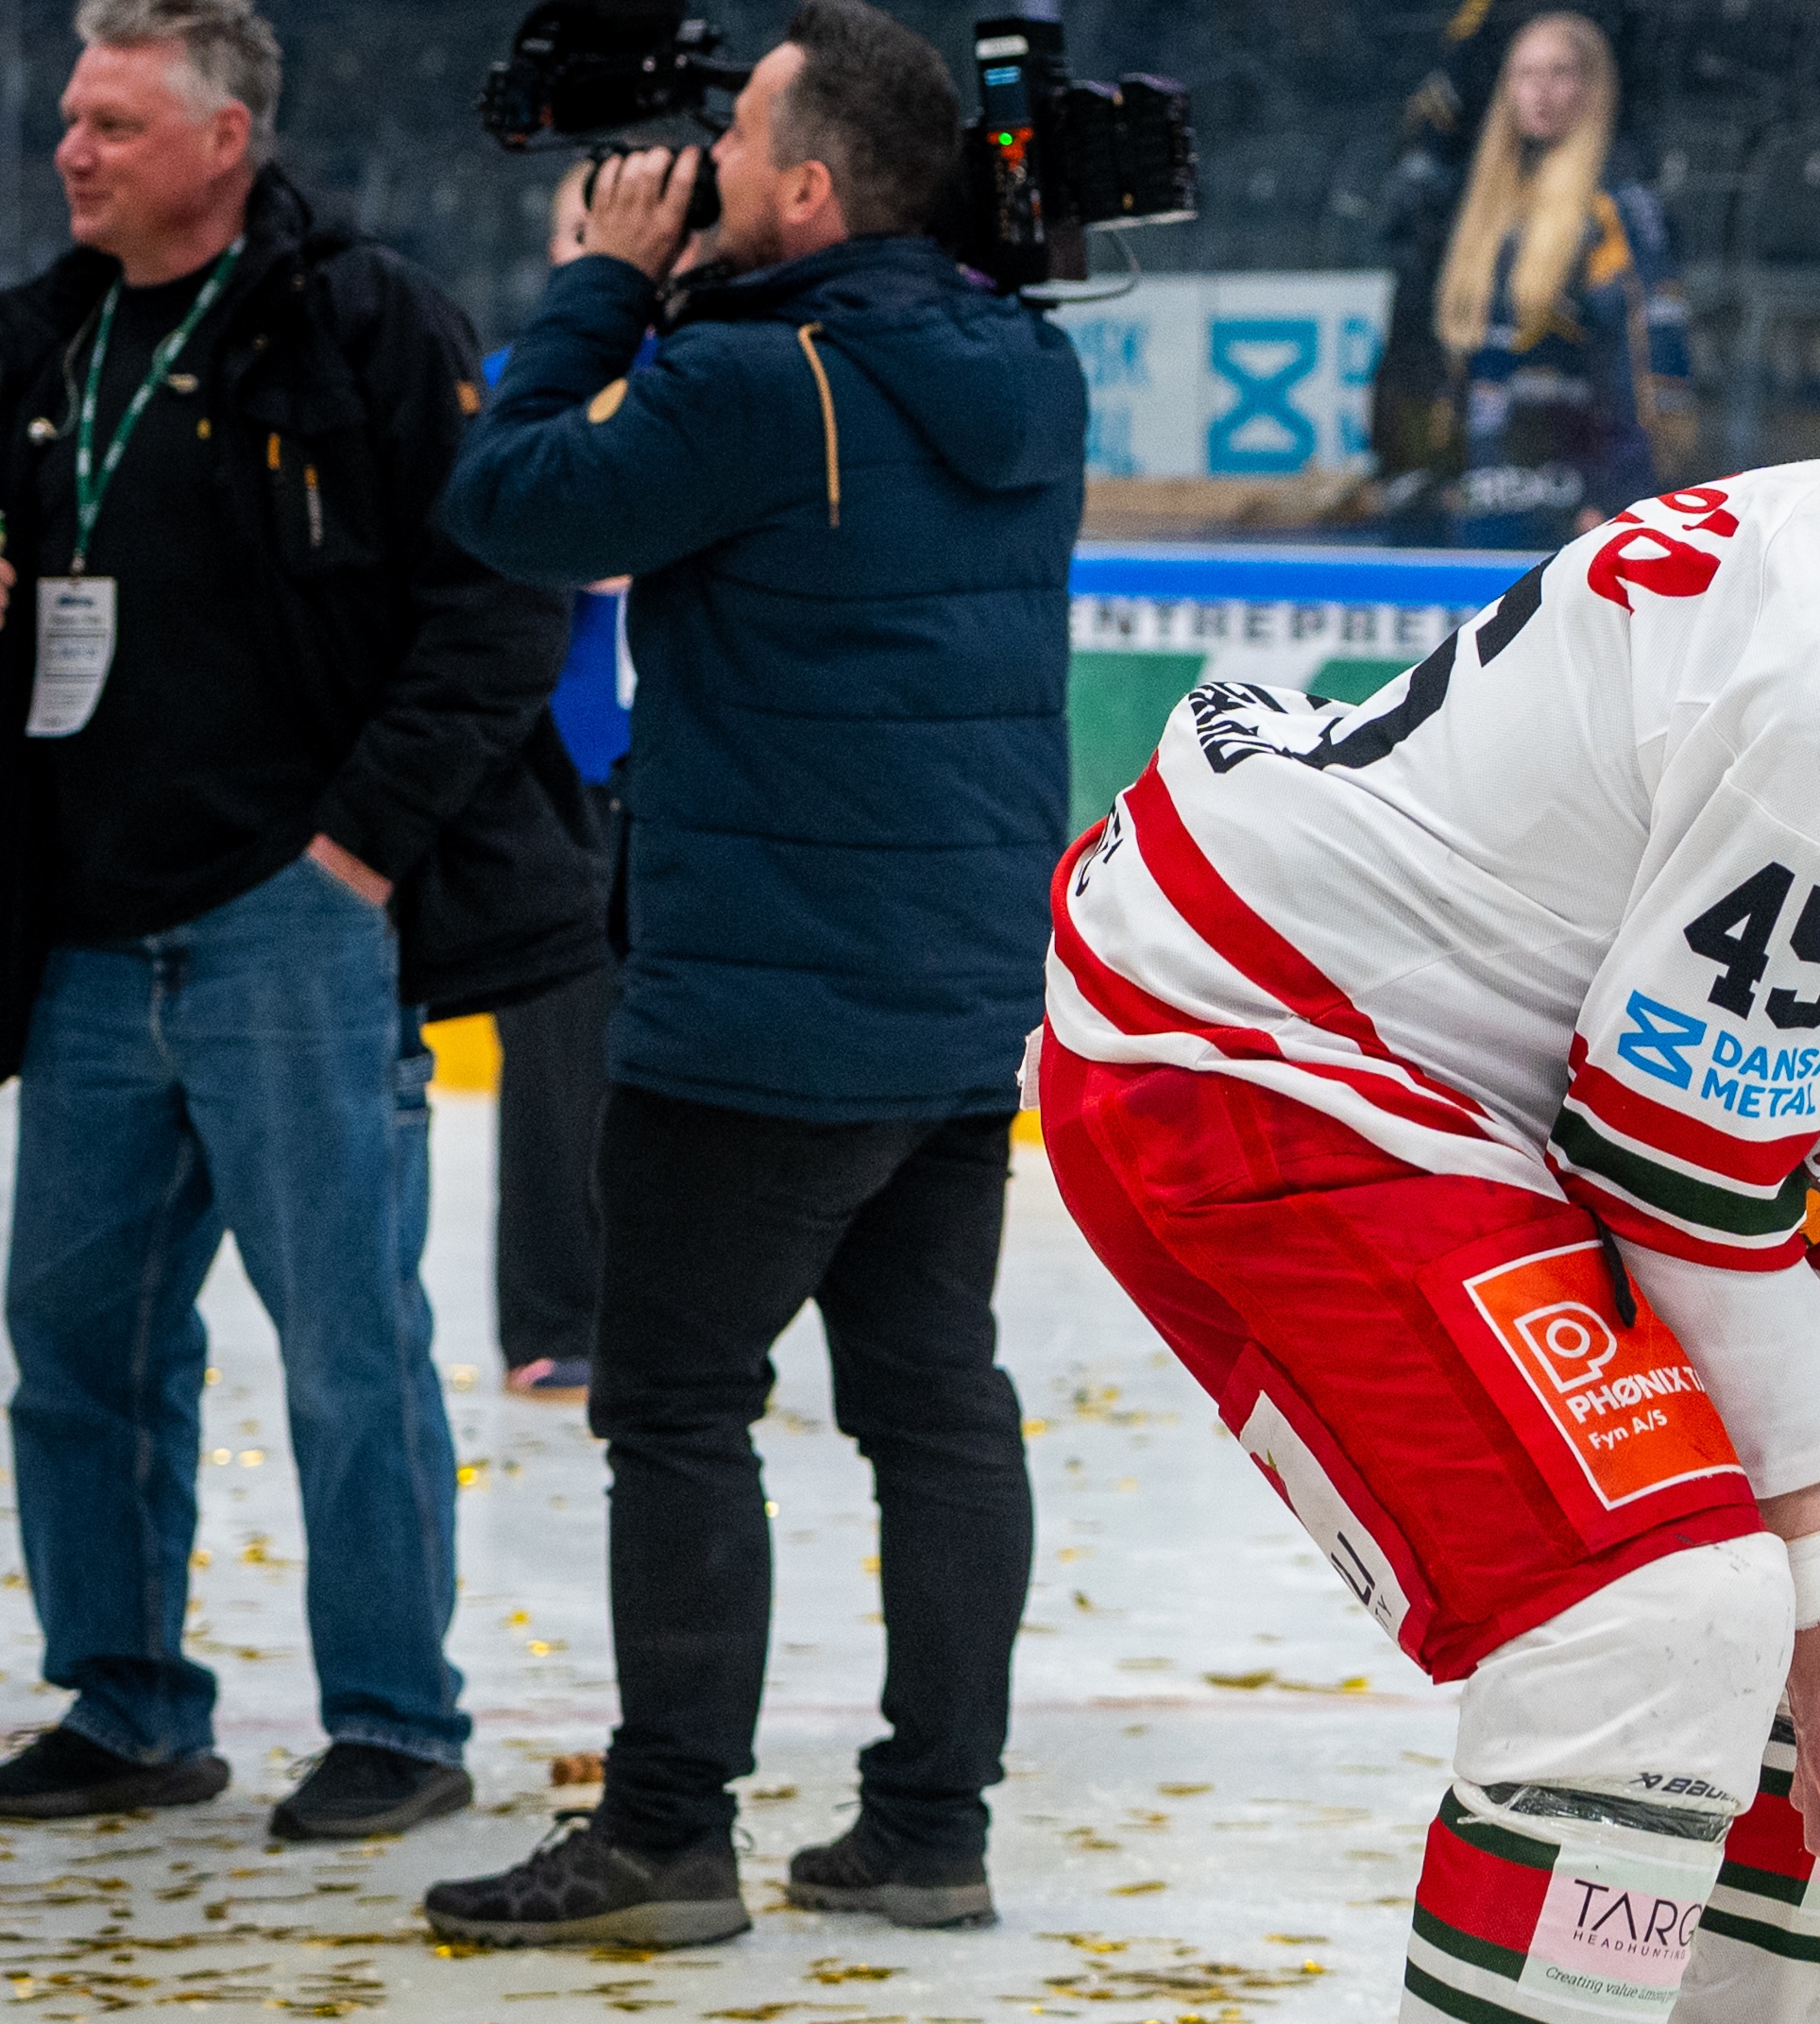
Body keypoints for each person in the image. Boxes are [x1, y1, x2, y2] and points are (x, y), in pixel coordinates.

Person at [1034, 142, 1820, 2021]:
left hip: (1493, 1104)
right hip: (1258, 1039)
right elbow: (1685, 1180)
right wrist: (1805, 1609)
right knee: (1671, 1614)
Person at [415, 0, 1078, 1946]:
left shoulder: (749, 385)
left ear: (799, 184)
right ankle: (929, 1825)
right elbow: (847, 358)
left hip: (757, 1010)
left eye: (736, 146)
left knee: (678, 1411)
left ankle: (664, 1835)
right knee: (936, 1404)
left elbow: (507, 503)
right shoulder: (1026, 370)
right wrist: (695, 297)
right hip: (955, 997)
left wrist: (601, 291)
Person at [0, 0, 594, 1842]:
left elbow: (502, 603)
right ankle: (127, 1700)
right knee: (74, 1342)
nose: (70, 150)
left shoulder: (371, 322)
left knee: (345, 1345)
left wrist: (356, 852)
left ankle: (400, 1724)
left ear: (223, 141)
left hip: (293, 921)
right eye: (71, 118)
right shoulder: (40, 336)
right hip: (88, 933)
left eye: (109, 122)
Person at [484, 161, 638, 1408]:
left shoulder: (719, 381)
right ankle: (549, 1310)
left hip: (695, 756)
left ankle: (663, 1307)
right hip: (562, 758)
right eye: (585, 228)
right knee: (555, 1058)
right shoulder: (517, 390)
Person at [1383, 10, 1690, 549]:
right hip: (1483, 497)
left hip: (1577, 509)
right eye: (1525, 75)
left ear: (1593, 88)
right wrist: (1436, 474)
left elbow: (1647, 363)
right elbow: (1453, 368)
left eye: (1560, 73)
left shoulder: (1618, 208)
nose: (1540, 92)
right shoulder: (1482, 212)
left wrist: (1621, 496)